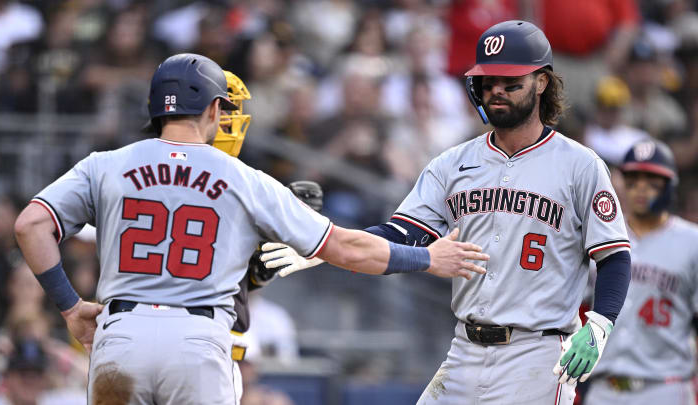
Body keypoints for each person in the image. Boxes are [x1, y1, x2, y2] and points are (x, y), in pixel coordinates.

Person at [13, 53, 489, 405]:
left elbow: (31, 224)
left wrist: (70, 306)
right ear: (215, 109)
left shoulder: (106, 165)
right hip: (197, 340)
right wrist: (426, 256)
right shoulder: (242, 178)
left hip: (122, 334)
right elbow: (344, 248)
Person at [260, 21, 633, 405]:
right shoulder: (453, 163)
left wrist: (600, 325)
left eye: (510, 82)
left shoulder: (580, 165)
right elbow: (402, 234)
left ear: (541, 82)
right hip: (464, 349)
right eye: (488, 82)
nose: (497, 91)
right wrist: (329, 244)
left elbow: (614, 256)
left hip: (536, 353)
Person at [584, 139, 698, 404]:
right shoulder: (601, 234)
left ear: (671, 185)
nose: (641, 189)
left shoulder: (692, 241)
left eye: (652, 181)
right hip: (602, 388)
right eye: (633, 179)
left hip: (665, 387)